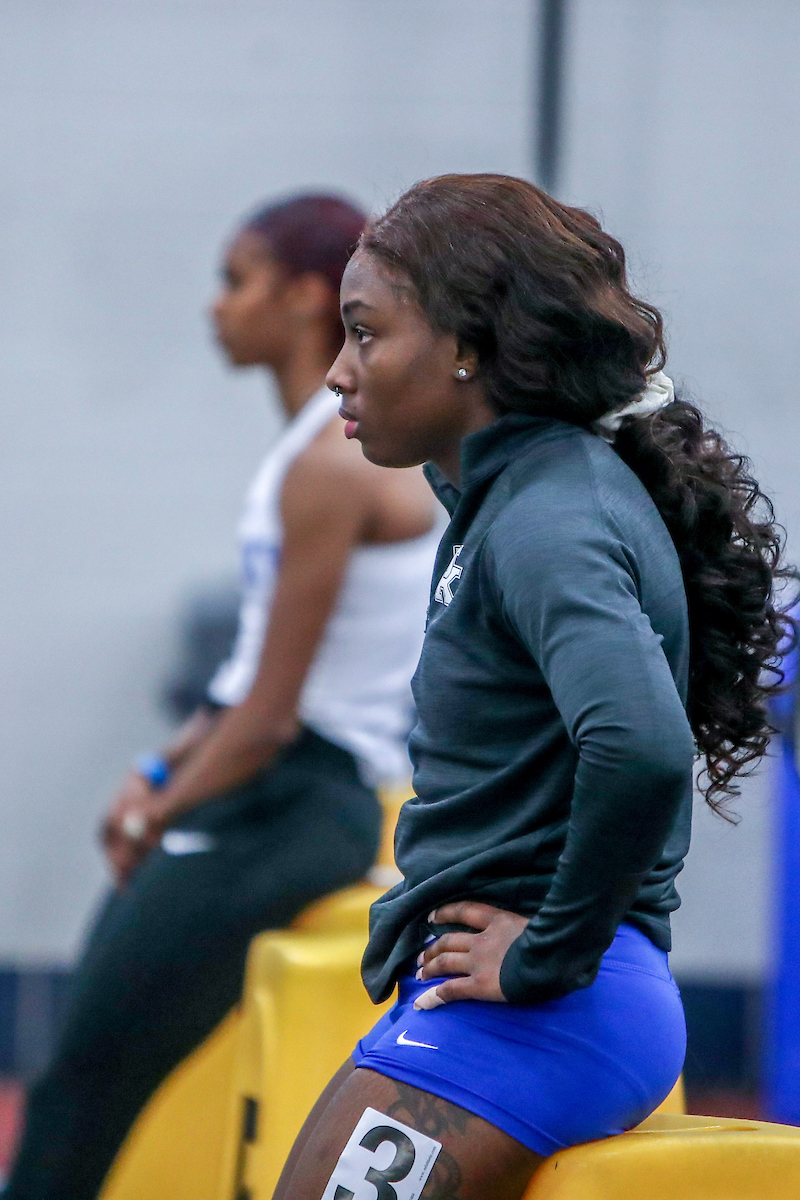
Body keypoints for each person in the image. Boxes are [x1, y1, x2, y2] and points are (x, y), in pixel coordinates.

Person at [272, 174, 794, 1200]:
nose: (337, 372)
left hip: (546, 1013)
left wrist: (544, 952)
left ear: (466, 346)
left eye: (366, 334)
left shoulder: (547, 516)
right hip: (507, 1004)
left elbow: (639, 744)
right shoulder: (506, 495)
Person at [4, 194, 441, 1200]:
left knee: (82, 1079)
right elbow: (243, 682)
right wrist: (160, 770)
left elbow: (272, 715)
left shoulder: (329, 466)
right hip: (268, 789)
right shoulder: (310, 454)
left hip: (293, 801)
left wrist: (161, 806)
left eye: (233, 279)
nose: (213, 308)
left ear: (298, 299)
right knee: (87, 1068)